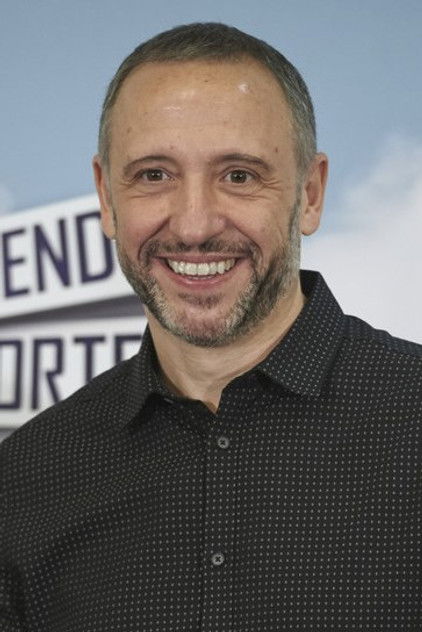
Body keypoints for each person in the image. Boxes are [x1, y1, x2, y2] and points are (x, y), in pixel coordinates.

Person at [1, 22, 421, 632]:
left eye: (239, 175)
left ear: (309, 194)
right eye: (154, 175)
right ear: (106, 197)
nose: (194, 225)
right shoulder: (23, 482)